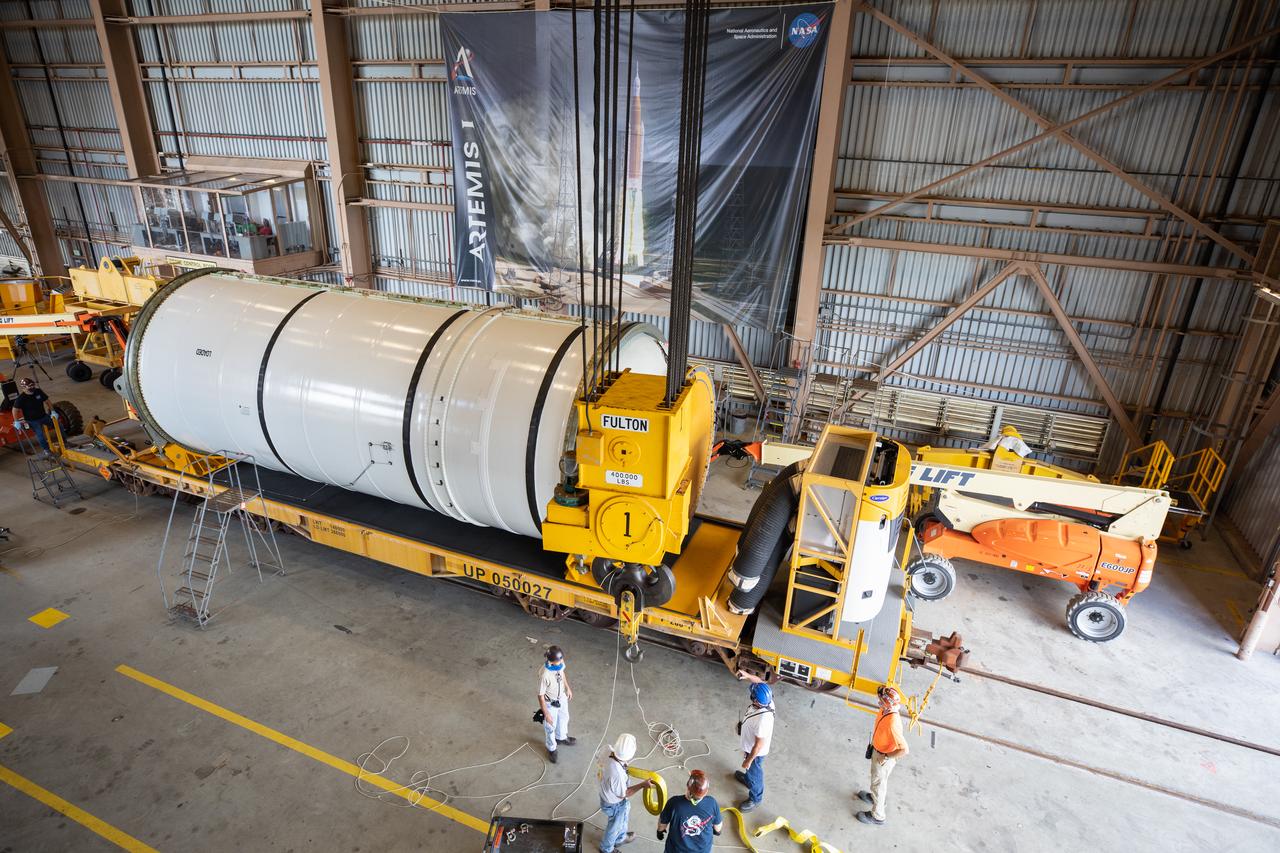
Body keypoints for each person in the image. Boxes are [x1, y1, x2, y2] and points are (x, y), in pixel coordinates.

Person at [856, 685, 910, 826]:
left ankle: (878, 816)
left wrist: (885, 756)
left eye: (881, 699)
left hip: (883, 758)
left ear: (887, 703)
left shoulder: (893, 723)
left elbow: (904, 750)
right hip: (878, 750)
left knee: (878, 785)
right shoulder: (886, 709)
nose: (878, 700)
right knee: (877, 783)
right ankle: (875, 798)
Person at [598, 733, 652, 852]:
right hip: (614, 804)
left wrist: (623, 764)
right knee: (614, 827)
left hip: (607, 794)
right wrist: (642, 785)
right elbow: (625, 793)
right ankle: (606, 849)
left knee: (623, 817)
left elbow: (601, 761)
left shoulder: (607, 749)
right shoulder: (616, 774)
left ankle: (620, 838)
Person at [656, 770, 721, 853]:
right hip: (703, 850)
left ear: (688, 787)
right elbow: (718, 827)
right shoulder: (712, 803)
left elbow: (662, 823)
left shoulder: (674, 803)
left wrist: (660, 831)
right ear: (706, 792)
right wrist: (717, 832)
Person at [733, 681, 774, 812]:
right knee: (751, 772)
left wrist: (748, 761)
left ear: (755, 699)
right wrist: (746, 675)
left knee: (755, 773)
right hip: (749, 748)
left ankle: (755, 799)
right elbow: (759, 681)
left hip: (755, 753)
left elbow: (758, 745)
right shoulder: (768, 702)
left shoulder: (763, 721)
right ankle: (748, 779)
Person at [538, 645, 575, 762]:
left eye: (561, 659)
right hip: (550, 703)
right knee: (550, 727)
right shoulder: (545, 674)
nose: (561, 662)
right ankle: (552, 748)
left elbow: (562, 674)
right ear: (552, 661)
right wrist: (546, 713)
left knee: (564, 717)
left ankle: (561, 737)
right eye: (559, 660)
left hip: (562, 697)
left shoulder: (559, 663)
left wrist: (567, 688)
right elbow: (540, 695)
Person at [13, 377, 55, 455]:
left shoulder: (38, 392)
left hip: (43, 416)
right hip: (32, 420)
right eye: (30, 386)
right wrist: (16, 421)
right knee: (40, 435)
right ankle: (47, 450)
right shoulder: (21, 398)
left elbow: (47, 401)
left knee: (59, 425)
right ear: (24, 388)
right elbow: (14, 410)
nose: (32, 387)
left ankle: (65, 442)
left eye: (33, 385)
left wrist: (53, 412)